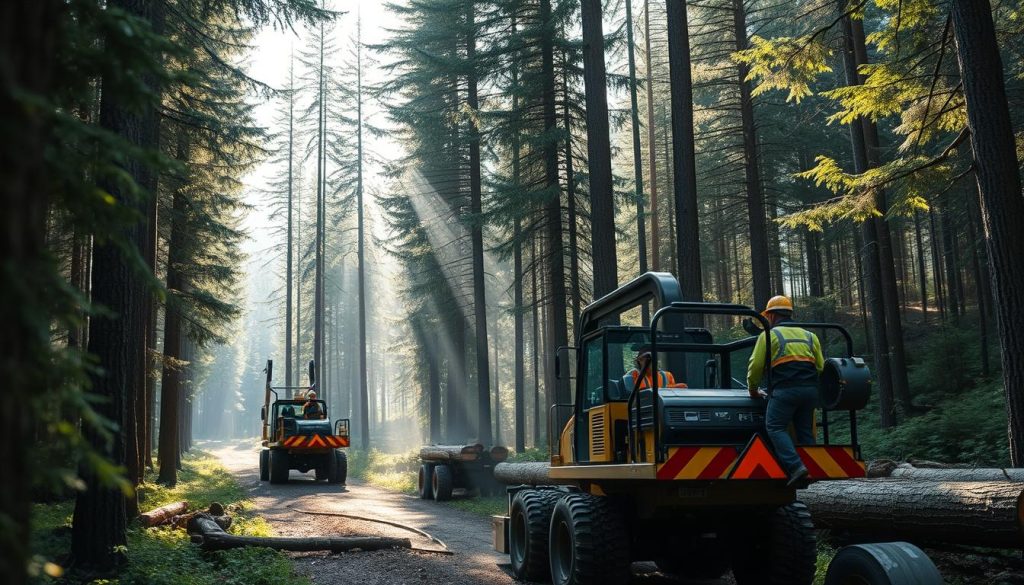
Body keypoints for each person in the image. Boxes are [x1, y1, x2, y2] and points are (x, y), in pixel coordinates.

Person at [746, 295, 824, 486]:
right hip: (810, 392)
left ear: (771, 316)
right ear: (789, 313)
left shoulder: (769, 335)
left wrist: (753, 390)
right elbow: (821, 367)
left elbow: (756, 366)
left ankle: (796, 467)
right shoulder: (810, 336)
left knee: (775, 427)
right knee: (805, 430)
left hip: (785, 391)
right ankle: (810, 469)